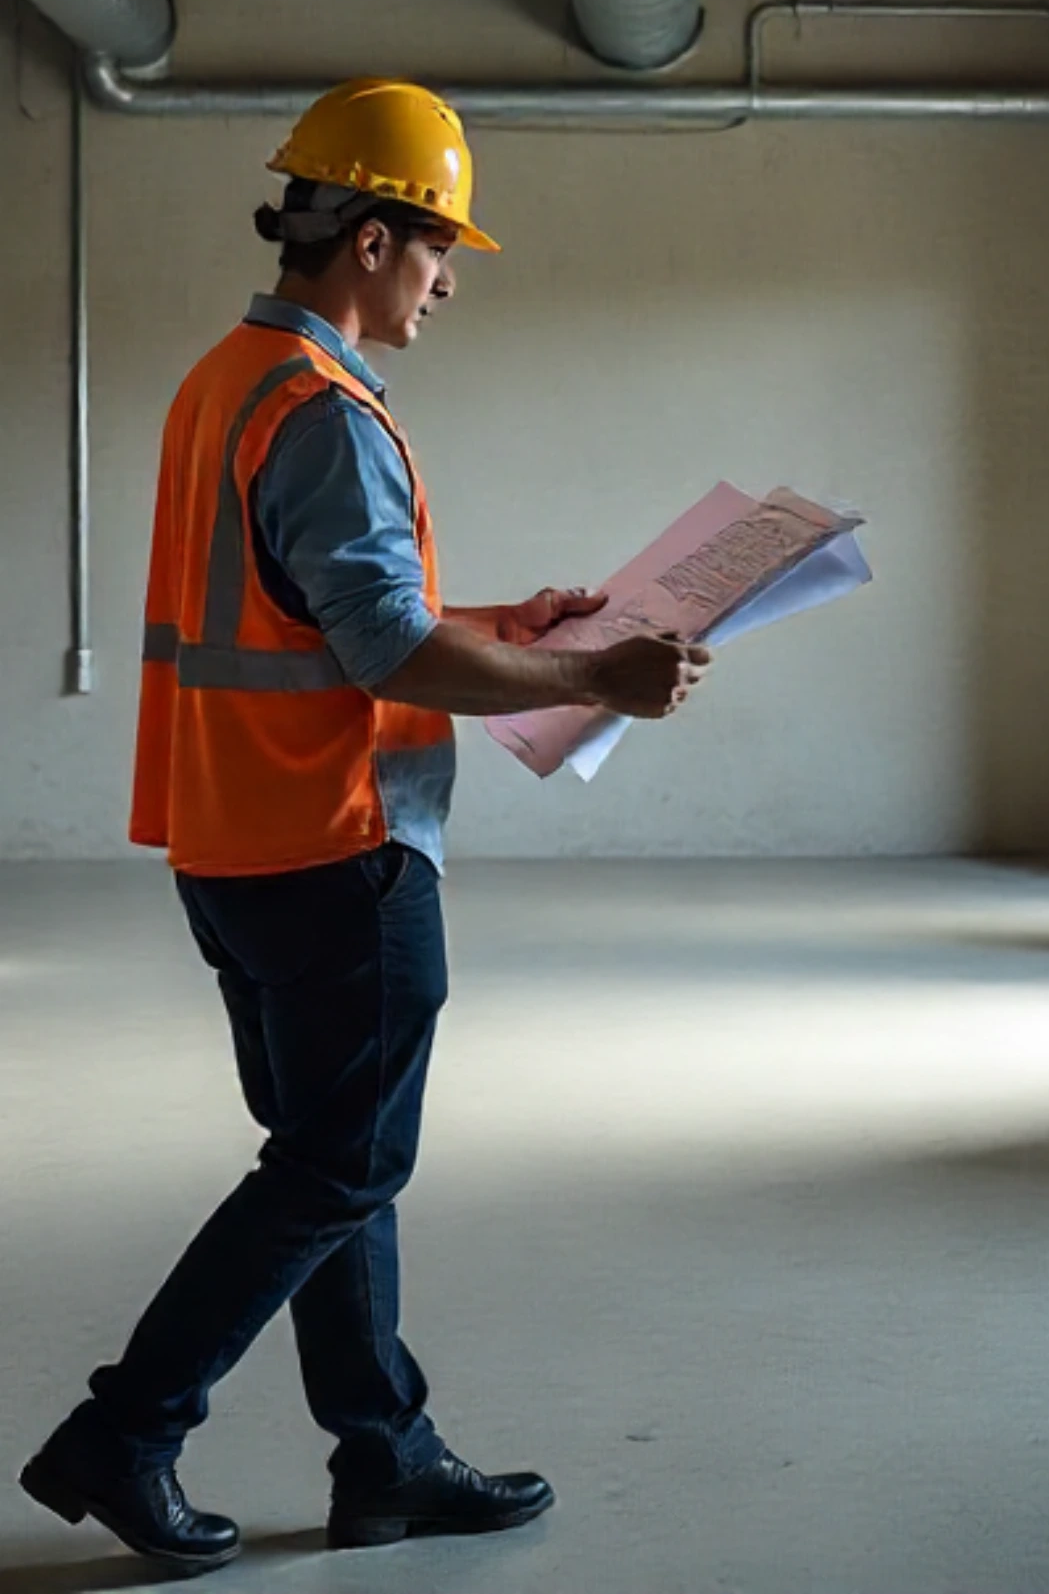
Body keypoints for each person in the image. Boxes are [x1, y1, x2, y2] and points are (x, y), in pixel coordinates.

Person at [18, 78, 713, 1573]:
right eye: (442, 248)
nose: (450, 281)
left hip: (236, 838)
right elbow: (386, 654)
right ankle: (127, 1435)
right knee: (337, 1167)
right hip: (338, 851)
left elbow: (330, 622)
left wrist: (507, 623)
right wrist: (597, 673)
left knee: (339, 1158)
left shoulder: (229, 381)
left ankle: (382, 1459)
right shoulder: (324, 416)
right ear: (377, 238)